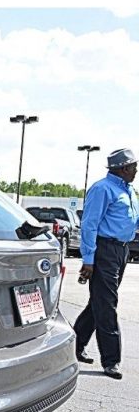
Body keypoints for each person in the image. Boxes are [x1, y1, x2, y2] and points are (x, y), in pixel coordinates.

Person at [74, 148, 139, 379]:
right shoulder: (102, 189)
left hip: (122, 251)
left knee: (99, 302)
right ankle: (111, 360)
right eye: (133, 167)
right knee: (107, 304)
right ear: (122, 168)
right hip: (104, 251)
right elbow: (89, 225)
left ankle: (74, 345)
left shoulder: (129, 191)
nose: (136, 170)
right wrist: (88, 259)